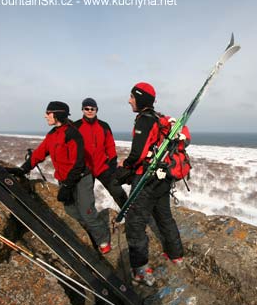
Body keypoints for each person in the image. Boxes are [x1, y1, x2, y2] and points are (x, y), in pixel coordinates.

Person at [13, 101, 112, 255]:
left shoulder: (72, 134)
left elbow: (79, 164)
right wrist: (22, 169)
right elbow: (40, 153)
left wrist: (67, 187)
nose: (45, 116)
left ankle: (103, 239)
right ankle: (89, 231)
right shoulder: (52, 134)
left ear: (57, 114)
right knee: (71, 210)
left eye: (48, 112)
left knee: (87, 211)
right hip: (64, 180)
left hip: (81, 178)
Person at [116, 82, 184, 286]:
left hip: (147, 179)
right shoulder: (159, 118)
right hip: (163, 178)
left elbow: (138, 154)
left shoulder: (144, 121)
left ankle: (141, 270)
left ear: (140, 98)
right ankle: (176, 255)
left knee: (135, 223)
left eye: (132, 97)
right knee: (164, 216)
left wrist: (124, 165)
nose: (129, 100)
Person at [73, 98, 128, 253]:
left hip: (103, 166)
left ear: (97, 110)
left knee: (117, 191)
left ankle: (129, 216)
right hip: (85, 169)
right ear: (82, 110)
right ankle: (97, 234)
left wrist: (112, 162)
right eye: (86, 108)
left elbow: (110, 145)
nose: (90, 111)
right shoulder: (76, 126)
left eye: (93, 108)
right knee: (86, 200)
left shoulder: (104, 126)